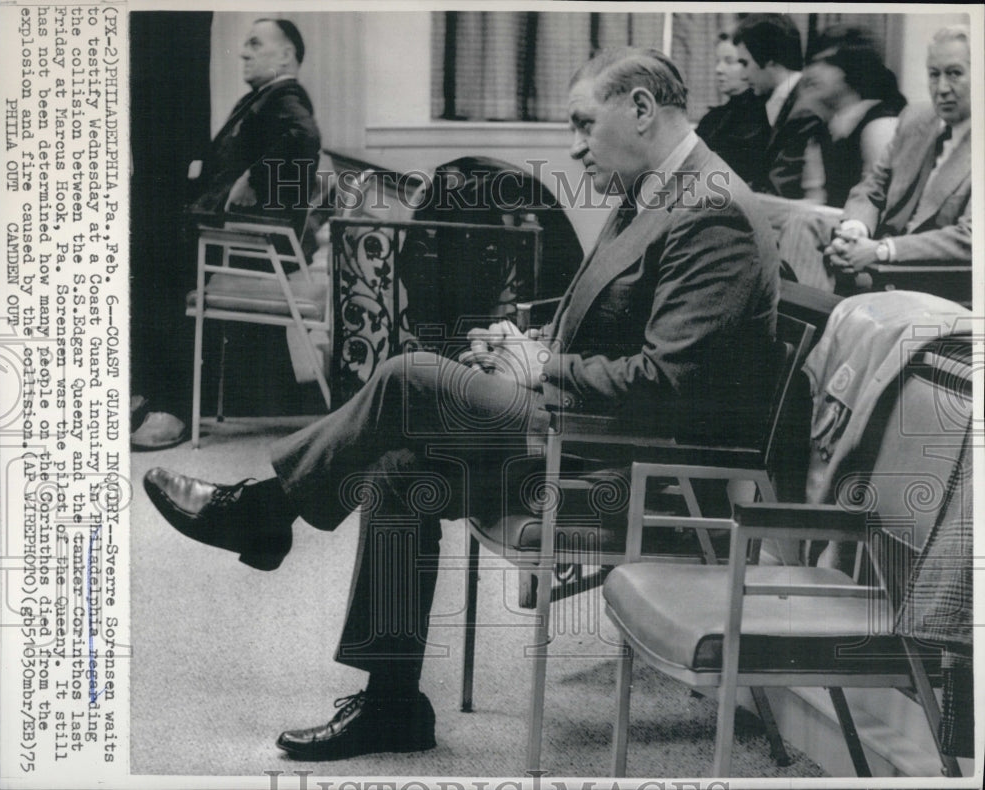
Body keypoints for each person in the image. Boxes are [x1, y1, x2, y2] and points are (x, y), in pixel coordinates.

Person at [142, 47, 781, 761]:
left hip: (640, 467)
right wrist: (527, 339)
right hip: (593, 430)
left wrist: (542, 366)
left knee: (411, 375)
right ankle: (392, 704)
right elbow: (616, 324)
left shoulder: (710, 208)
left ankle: (264, 510)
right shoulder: (660, 188)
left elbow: (673, 388)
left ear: (639, 108)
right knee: (395, 468)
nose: (573, 145)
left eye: (581, 123)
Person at [132, 18, 324, 450]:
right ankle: (152, 393)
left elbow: (305, 136)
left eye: (256, 44)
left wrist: (255, 176)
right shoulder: (266, 97)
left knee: (160, 274)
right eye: (245, 45)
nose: (244, 52)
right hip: (242, 237)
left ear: (286, 55)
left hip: (257, 245)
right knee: (150, 259)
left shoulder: (286, 96)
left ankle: (175, 409)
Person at [781, 25, 971, 292]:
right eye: (933, 74)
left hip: (926, 275)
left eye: (954, 74)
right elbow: (873, 187)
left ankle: (810, 323)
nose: (941, 88)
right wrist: (855, 230)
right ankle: (804, 323)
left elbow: (971, 238)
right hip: (875, 253)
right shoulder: (916, 119)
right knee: (803, 224)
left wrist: (882, 250)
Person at [799, 25, 906, 208]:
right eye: (812, 62)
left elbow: (880, 204)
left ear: (853, 66)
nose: (813, 72)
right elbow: (815, 202)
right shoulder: (823, 129)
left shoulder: (878, 126)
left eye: (828, 62)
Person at [734, 14, 825, 200]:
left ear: (770, 59)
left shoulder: (803, 110)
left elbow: (781, 186)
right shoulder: (787, 100)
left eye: (745, 63)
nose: (742, 76)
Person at [696, 31, 770, 187]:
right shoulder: (714, 117)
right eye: (718, 61)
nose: (718, 69)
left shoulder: (762, 114)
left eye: (729, 61)